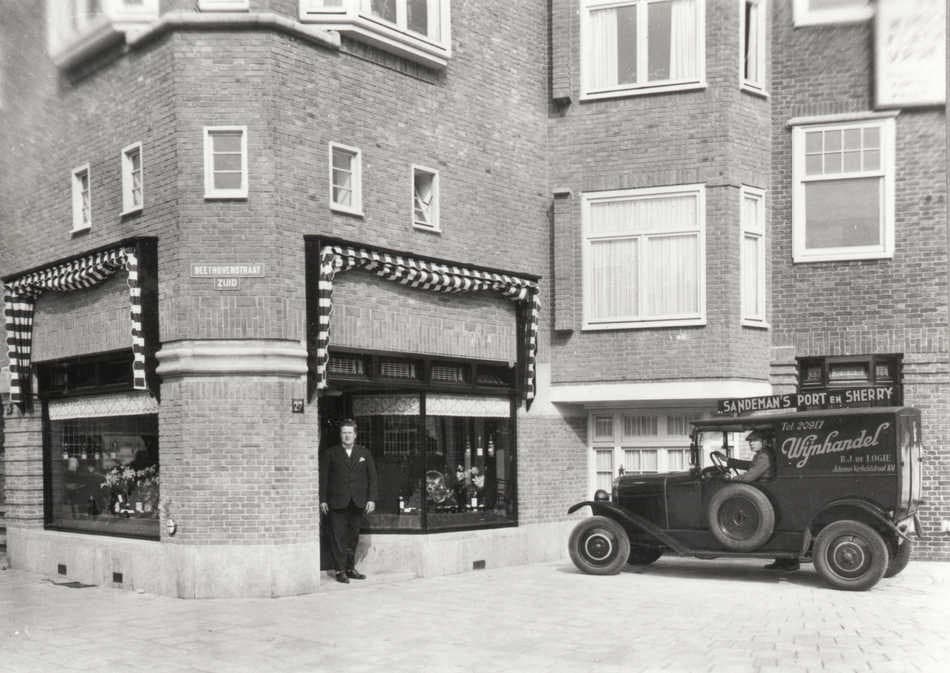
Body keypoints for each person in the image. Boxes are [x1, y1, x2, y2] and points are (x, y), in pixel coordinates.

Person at [729, 430, 798, 571]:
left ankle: (788, 562)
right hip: (764, 490)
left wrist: (731, 480)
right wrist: (729, 461)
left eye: (754, 441)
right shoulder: (762, 455)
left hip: (765, 491)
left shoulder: (764, 456)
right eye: (749, 441)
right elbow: (750, 466)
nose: (751, 444)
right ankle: (785, 562)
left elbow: (749, 477)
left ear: (763, 441)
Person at [320, 419, 378, 584]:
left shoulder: (364, 453)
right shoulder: (331, 453)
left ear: (355, 435)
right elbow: (324, 478)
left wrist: (371, 499)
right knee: (338, 537)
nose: (347, 436)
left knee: (353, 537)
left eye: (349, 433)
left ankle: (350, 568)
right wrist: (323, 499)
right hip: (337, 502)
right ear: (340, 435)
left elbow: (372, 478)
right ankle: (340, 570)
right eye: (344, 433)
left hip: (357, 502)